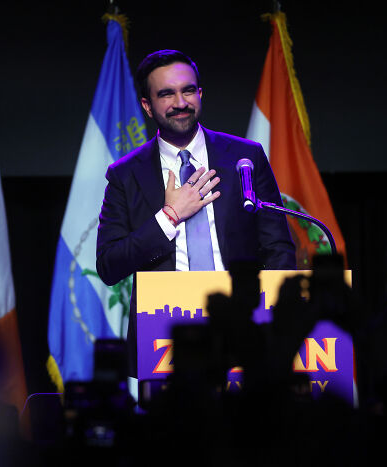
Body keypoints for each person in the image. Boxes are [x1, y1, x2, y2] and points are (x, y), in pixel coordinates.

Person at [96, 49, 296, 376]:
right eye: (166, 94)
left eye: (188, 90)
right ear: (147, 105)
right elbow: (109, 265)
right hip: (166, 333)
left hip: (244, 322)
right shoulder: (125, 175)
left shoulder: (245, 158)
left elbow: (278, 248)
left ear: (200, 94)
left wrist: (270, 318)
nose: (180, 102)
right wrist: (169, 216)